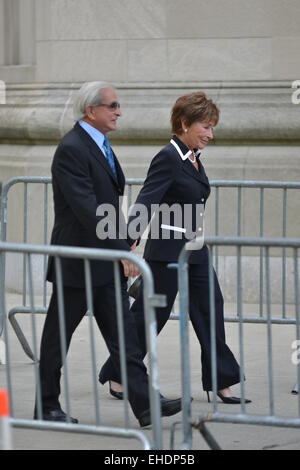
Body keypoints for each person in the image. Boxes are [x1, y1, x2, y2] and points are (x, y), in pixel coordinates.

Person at [34, 81, 182, 427]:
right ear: (91, 111)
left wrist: (124, 243)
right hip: (78, 261)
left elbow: (107, 203)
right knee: (58, 337)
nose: (119, 112)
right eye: (113, 106)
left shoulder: (98, 144)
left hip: (103, 259)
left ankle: (146, 404)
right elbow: (86, 207)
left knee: (123, 336)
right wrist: (122, 250)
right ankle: (46, 405)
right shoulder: (72, 148)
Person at [99, 92, 251, 405]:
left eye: (212, 127)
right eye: (205, 127)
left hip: (195, 249)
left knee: (211, 307)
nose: (211, 134)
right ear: (184, 123)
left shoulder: (193, 158)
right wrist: (127, 243)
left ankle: (222, 381)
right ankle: (118, 374)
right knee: (150, 315)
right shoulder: (168, 157)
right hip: (167, 253)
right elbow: (147, 200)